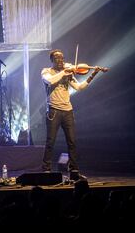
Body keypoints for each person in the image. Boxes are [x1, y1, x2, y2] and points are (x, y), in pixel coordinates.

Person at [41, 49, 102, 177]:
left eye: (62, 58)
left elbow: (79, 87)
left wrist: (93, 75)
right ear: (52, 60)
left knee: (72, 142)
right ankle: (46, 170)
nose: (61, 60)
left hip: (68, 111)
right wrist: (64, 72)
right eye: (57, 58)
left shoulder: (68, 74)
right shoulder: (46, 71)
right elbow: (50, 81)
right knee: (50, 142)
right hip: (54, 110)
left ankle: (74, 171)